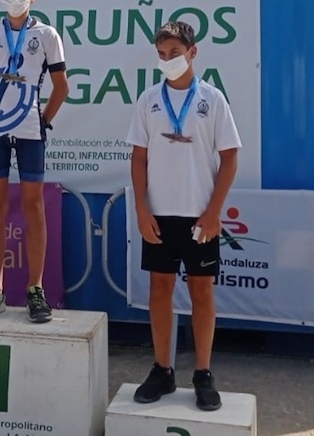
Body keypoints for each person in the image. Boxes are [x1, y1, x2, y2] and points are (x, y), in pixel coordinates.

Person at [126, 21, 242, 411]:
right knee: (160, 290)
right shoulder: (148, 100)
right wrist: (141, 210)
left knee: (201, 292)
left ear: (192, 52)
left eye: (174, 53)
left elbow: (229, 158)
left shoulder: (212, 99)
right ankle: (162, 369)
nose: (168, 61)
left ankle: (203, 374)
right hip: (159, 214)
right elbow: (138, 158)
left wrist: (213, 213)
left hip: (198, 216)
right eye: (161, 55)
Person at [0, 0, 69, 323]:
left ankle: (35, 289)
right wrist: (1, 113)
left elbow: (61, 88)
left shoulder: (47, 35)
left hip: (30, 131)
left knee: (33, 208)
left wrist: (42, 121)